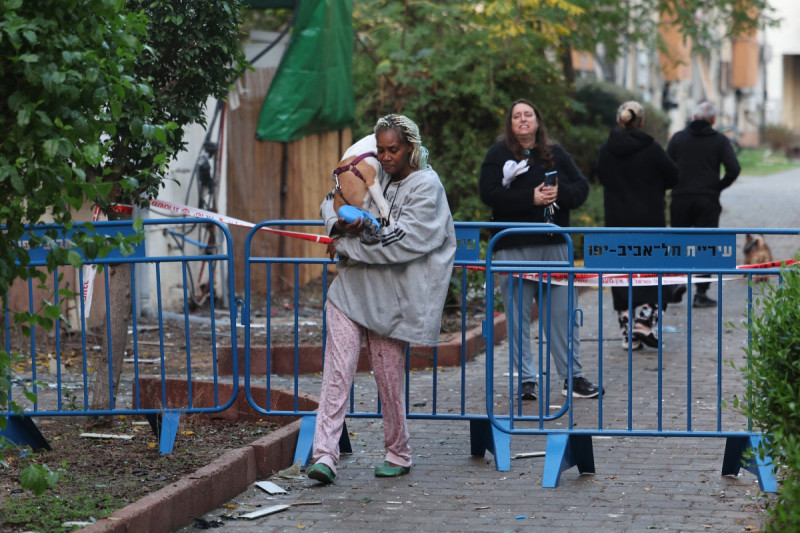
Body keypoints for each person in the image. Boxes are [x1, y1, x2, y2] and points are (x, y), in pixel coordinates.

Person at [306, 114, 457, 484]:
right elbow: (331, 198)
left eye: (394, 150)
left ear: (411, 147)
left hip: (391, 301)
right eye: (381, 149)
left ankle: (398, 452)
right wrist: (338, 223)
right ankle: (324, 455)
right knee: (336, 375)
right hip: (349, 292)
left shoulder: (427, 186)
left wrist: (348, 246)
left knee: (389, 381)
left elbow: (404, 242)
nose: (386, 157)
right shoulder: (374, 172)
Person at [479, 98, 601, 401]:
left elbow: (582, 188)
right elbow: (488, 192)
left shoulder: (555, 154)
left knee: (564, 315)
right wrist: (528, 200)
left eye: (528, 115)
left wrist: (562, 193)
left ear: (537, 120)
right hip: (513, 247)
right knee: (518, 319)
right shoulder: (498, 154)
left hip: (554, 245)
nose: (522, 120)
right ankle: (527, 381)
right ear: (510, 123)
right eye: (516, 116)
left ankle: (572, 377)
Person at [596, 101, 679, 350]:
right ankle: (643, 321)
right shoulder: (652, 149)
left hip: (617, 221)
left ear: (620, 121)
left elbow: (601, 176)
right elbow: (673, 176)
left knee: (620, 270)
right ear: (641, 122)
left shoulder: (606, 149)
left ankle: (627, 332)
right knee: (652, 268)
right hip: (649, 221)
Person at [667, 101, 741, 308]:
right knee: (706, 245)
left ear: (693, 117)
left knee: (679, 243)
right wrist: (717, 186)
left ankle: (675, 284)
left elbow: (665, 166)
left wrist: (675, 185)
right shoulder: (719, 141)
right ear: (714, 120)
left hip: (680, 199)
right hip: (707, 200)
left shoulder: (678, 138)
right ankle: (700, 293)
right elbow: (734, 168)